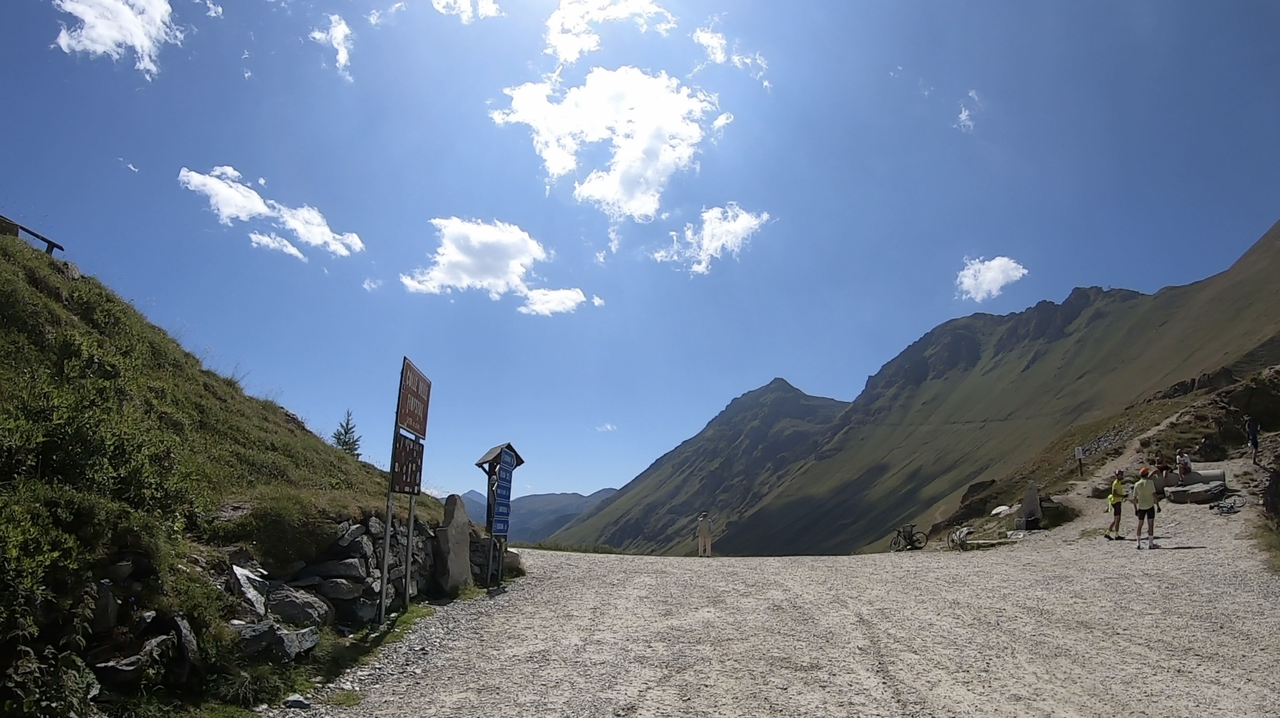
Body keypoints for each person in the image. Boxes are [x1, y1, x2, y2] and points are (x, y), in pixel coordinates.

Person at [1130, 467, 1161, 549]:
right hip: (1150, 505)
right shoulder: (1150, 482)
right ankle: (1150, 543)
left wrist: (1135, 509)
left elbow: (1134, 499)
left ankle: (1138, 543)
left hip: (1141, 507)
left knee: (1140, 524)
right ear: (1147, 474)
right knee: (1150, 524)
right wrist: (1158, 505)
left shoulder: (1137, 484)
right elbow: (1154, 495)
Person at [1105, 469, 1126, 540]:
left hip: (1117, 501)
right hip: (1116, 502)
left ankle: (1108, 533)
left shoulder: (1118, 483)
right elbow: (1114, 493)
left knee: (1116, 519)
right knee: (1117, 519)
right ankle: (1116, 535)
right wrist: (1122, 496)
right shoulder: (1116, 483)